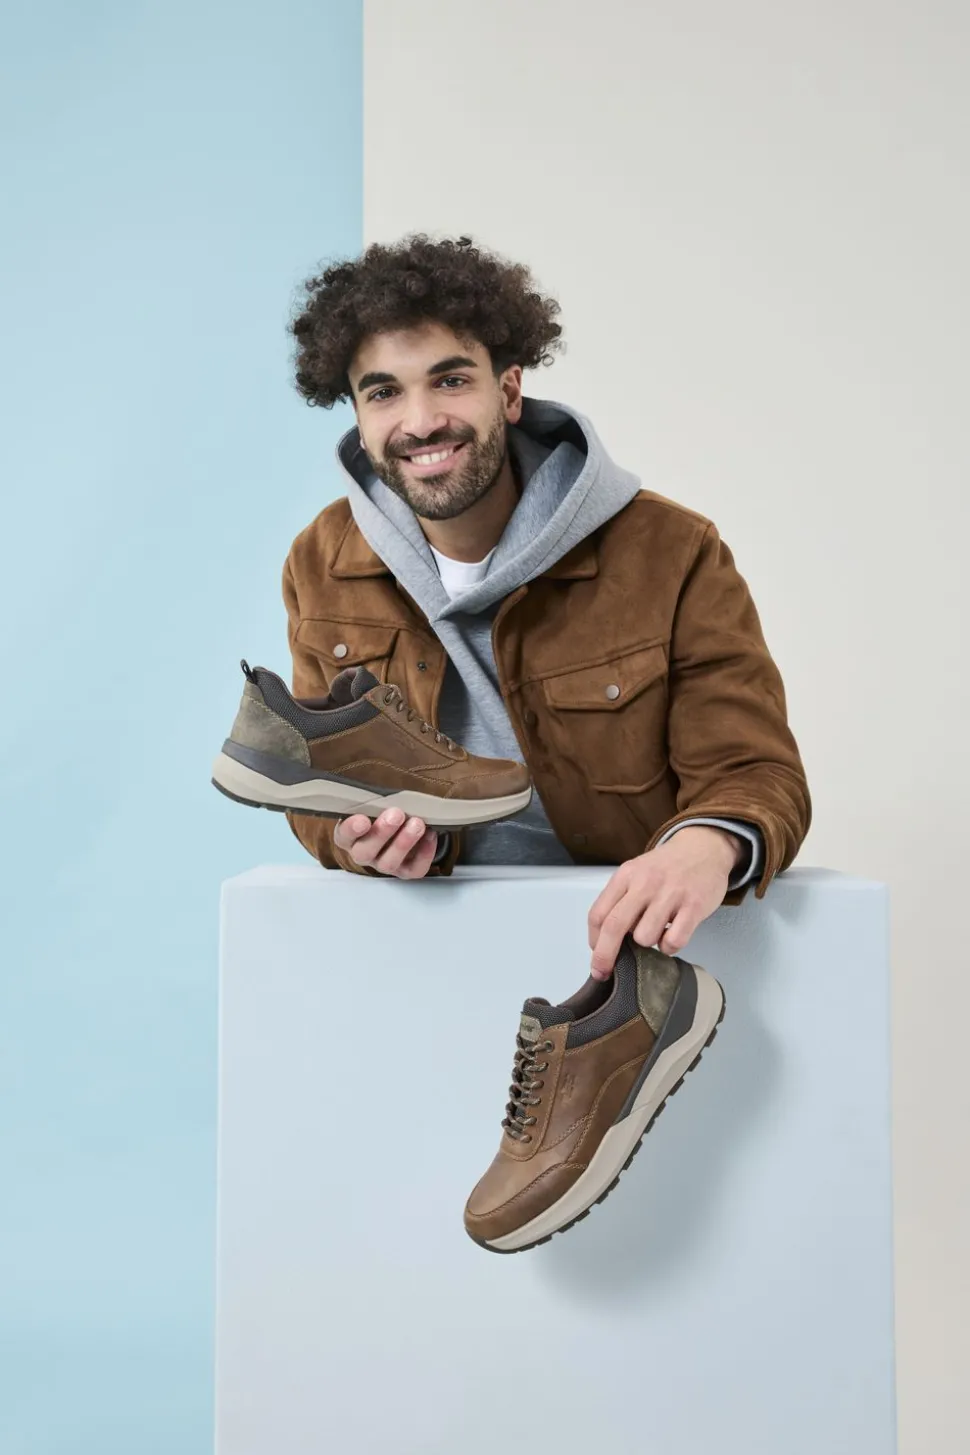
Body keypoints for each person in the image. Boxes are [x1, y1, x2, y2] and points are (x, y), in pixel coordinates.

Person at [281, 234, 811, 978]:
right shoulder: (322, 559)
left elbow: (755, 770)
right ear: (359, 415)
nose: (421, 420)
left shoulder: (670, 550)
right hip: (426, 947)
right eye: (384, 392)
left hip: (630, 957)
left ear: (508, 392)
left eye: (450, 380)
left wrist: (706, 844)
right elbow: (316, 781)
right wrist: (352, 841)